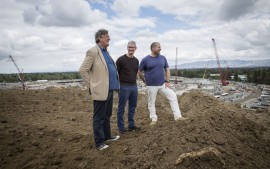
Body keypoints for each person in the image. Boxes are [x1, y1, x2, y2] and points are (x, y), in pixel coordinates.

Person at [79, 29, 120, 150]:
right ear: (99, 38)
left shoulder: (106, 52)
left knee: (107, 115)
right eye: (107, 36)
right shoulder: (93, 51)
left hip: (110, 89)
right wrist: (93, 85)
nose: (109, 38)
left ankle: (107, 136)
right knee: (99, 117)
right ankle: (99, 142)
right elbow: (83, 70)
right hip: (101, 90)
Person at [138, 42, 187, 125]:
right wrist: (144, 81)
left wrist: (167, 81)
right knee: (151, 102)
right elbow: (139, 71)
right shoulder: (145, 59)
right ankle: (154, 119)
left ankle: (178, 117)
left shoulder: (163, 58)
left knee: (173, 96)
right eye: (158, 47)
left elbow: (167, 69)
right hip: (151, 85)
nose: (160, 49)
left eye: (160, 47)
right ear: (153, 48)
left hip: (162, 84)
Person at [116, 40, 140, 134]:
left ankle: (131, 125)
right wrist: (117, 86)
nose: (131, 49)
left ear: (135, 49)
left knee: (132, 107)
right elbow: (115, 73)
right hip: (123, 86)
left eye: (132, 47)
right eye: (129, 47)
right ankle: (121, 128)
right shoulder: (121, 60)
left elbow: (135, 73)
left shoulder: (136, 60)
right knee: (121, 108)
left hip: (134, 86)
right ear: (127, 48)